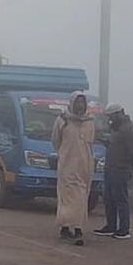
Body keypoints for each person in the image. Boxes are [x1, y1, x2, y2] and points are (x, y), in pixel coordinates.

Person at [52, 91, 96, 246]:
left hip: (84, 166)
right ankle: (65, 227)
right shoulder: (62, 121)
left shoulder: (90, 121)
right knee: (68, 196)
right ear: (72, 103)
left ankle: (78, 228)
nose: (79, 106)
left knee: (82, 197)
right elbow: (56, 141)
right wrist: (65, 154)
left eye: (82, 103)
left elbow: (90, 142)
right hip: (67, 165)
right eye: (77, 103)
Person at [95, 102, 133, 240]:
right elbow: (114, 145)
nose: (110, 119)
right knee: (108, 198)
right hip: (110, 167)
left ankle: (124, 229)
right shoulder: (116, 128)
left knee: (121, 199)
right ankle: (111, 226)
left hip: (121, 168)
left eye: (112, 116)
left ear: (119, 113)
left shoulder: (129, 129)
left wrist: (130, 167)